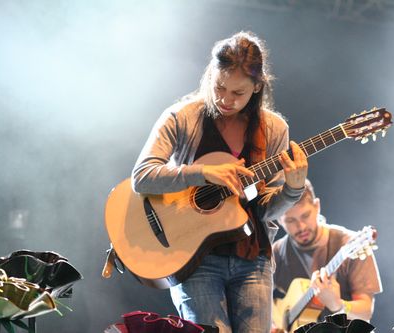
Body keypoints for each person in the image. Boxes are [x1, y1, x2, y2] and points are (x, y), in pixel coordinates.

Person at [131, 31, 308, 333]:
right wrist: (203, 173)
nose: (226, 99)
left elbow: (266, 209)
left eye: (238, 93)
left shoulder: (275, 129)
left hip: (252, 258)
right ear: (210, 74)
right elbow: (142, 177)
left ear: (257, 88)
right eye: (219, 87)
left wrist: (292, 189)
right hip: (193, 257)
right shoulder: (181, 117)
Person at [272, 179, 382, 328]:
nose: (301, 226)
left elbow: (365, 312)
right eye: (291, 220)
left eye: (305, 216)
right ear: (279, 219)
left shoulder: (350, 244)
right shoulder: (277, 252)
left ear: (317, 206)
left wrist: (338, 305)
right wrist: (273, 321)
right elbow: (257, 297)